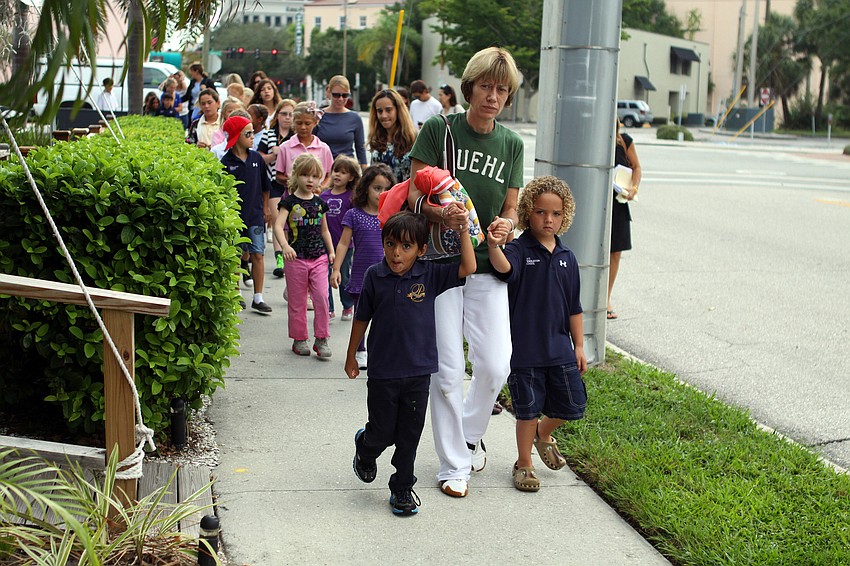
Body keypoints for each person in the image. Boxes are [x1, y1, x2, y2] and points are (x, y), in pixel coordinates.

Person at [407, 46, 524, 498]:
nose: (493, 96)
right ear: (470, 87)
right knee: (448, 371)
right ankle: (453, 464)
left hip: (486, 264)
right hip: (440, 263)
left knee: (496, 365)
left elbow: (512, 204)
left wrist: (506, 224)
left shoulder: (511, 144)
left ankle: (471, 435)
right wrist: (442, 215)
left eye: (502, 89)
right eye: (486, 86)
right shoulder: (440, 129)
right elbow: (414, 196)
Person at [347, 210, 476, 516]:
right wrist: (352, 355)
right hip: (383, 373)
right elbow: (362, 317)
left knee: (408, 436)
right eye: (390, 244)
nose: (396, 253)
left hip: (419, 372)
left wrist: (462, 231)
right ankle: (366, 448)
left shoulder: (429, 274)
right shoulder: (374, 276)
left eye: (406, 246)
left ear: (420, 250)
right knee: (382, 433)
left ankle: (402, 487)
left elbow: (468, 266)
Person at [486, 176, 587, 492]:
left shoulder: (567, 258)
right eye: (541, 212)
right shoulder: (518, 249)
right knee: (527, 411)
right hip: (525, 350)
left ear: (564, 216)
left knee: (574, 404)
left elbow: (574, 306)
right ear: (528, 212)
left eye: (556, 214)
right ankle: (524, 463)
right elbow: (503, 268)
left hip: (559, 348)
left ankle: (544, 433)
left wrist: (580, 345)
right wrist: (493, 246)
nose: (549, 219)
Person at [331, 163, 396, 369]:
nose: (381, 193)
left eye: (386, 189)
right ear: (365, 187)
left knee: (385, 317)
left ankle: (379, 350)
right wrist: (336, 269)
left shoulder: (392, 217)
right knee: (361, 316)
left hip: (388, 276)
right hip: (361, 277)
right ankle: (360, 350)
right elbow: (343, 243)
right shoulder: (354, 215)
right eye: (377, 188)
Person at [273, 153, 336, 359]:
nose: (310, 180)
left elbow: (325, 230)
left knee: (321, 297)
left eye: (315, 176)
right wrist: (284, 246)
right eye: (305, 175)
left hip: (319, 258)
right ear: (296, 176)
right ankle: (299, 338)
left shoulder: (320, 203)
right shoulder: (289, 202)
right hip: (296, 258)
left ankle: (322, 338)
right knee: (298, 301)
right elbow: (278, 226)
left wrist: (331, 250)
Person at [220, 115, 273, 315]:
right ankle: (236, 294)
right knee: (235, 256)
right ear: (236, 136)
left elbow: (265, 188)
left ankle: (258, 297)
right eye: (248, 133)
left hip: (256, 216)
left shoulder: (257, 159)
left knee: (258, 254)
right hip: (235, 218)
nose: (253, 137)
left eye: (253, 133)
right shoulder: (226, 162)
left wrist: (266, 208)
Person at [258, 98, 297, 278]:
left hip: (294, 184)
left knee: (292, 221)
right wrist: (272, 155)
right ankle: (279, 256)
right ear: (277, 115)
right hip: (274, 182)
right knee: (276, 220)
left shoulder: (296, 137)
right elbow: (259, 158)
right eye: (283, 114)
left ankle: (292, 252)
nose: (287, 118)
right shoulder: (269, 135)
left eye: (290, 114)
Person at [608, 119, 641, 320]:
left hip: (618, 202)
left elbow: (637, 167)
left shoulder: (624, 141)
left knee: (615, 252)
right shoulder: (594, 139)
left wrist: (633, 188)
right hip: (595, 202)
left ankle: (606, 298)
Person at [321, 155, 361, 321]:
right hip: (324, 244)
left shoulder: (352, 197)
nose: (337, 175)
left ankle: (347, 304)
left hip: (345, 245)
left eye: (343, 172)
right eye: (336, 171)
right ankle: (328, 308)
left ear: (351, 177)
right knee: (324, 277)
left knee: (343, 276)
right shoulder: (323, 196)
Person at [274, 101, 333, 190]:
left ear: (315, 122)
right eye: (299, 123)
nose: (303, 127)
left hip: (317, 197)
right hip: (292, 196)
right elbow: (279, 175)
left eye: (307, 123)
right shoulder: (285, 147)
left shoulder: (323, 148)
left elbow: (329, 175)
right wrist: (295, 182)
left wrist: (321, 188)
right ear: (293, 122)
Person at [314, 75, 367, 169]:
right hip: (322, 168)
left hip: (346, 170)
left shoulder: (355, 118)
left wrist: (365, 174)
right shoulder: (318, 116)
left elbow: (360, 149)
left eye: (345, 95)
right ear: (329, 92)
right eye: (336, 95)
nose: (340, 99)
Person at [368, 89, 417, 183]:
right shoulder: (375, 138)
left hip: (406, 195)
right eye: (379, 111)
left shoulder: (413, 139)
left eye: (388, 110)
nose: (384, 115)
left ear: (398, 110)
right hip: (382, 196)